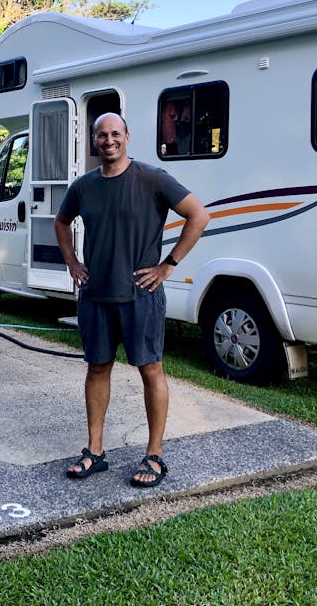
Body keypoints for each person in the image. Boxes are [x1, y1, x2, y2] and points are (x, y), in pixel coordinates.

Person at [54, 112, 210, 487]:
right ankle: (94, 452)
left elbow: (198, 216)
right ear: (93, 141)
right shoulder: (84, 186)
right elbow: (61, 222)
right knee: (97, 369)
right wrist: (74, 263)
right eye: (101, 135)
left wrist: (168, 264)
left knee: (151, 370)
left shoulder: (151, 178)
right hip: (96, 297)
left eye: (115, 134)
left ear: (127, 136)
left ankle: (154, 455)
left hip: (141, 296)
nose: (108, 140)